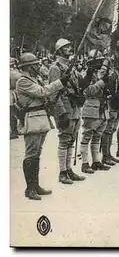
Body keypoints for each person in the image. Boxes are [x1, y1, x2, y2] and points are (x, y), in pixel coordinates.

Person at [16, 52, 70, 200]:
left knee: (37, 155)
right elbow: (42, 92)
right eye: (35, 65)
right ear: (28, 67)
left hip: (40, 118)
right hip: (32, 119)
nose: (38, 66)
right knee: (31, 154)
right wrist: (60, 82)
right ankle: (30, 188)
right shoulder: (23, 81)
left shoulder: (34, 79)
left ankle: (35, 186)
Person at [48, 38, 86, 184]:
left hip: (74, 107)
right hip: (64, 107)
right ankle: (62, 172)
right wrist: (61, 112)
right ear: (59, 50)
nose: (70, 49)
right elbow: (53, 93)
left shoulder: (71, 67)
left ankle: (69, 169)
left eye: (70, 47)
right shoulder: (55, 67)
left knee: (72, 139)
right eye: (66, 47)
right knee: (64, 139)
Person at [10, 58, 22, 139]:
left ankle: (14, 131)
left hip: (11, 93)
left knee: (11, 113)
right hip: (14, 93)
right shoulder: (16, 72)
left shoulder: (12, 73)